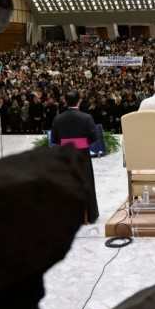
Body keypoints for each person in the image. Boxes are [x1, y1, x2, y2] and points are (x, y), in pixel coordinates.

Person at [49, 90, 100, 224]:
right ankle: (90, 215)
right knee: (86, 182)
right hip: (82, 154)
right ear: (79, 100)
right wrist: (82, 143)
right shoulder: (87, 117)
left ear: (65, 101)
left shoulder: (58, 118)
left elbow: (54, 139)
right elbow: (94, 138)